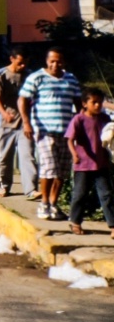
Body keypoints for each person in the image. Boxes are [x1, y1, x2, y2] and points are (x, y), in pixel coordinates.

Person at [20, 48, 84, 222]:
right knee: (49, 168)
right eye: (52, 61)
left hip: (65, 131)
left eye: (59, 61)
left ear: (64, 62)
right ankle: (44, 203)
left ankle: (54, 204)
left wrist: (81, 126)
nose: (55, 64)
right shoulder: (36, 78)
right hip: (44, 130)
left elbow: (79, 104)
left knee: (61, 171)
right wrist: (27, 123)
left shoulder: (70, 79)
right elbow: (23, 99)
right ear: (47, 61)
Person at [65, 89, 114, 236]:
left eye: (100, 102)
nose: (98, 105)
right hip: (83, 164)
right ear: (85, 104)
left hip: (102, 164)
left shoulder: (105, 119)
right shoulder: (79, 119)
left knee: (107, 194)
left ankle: (112, 225)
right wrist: (74, 154)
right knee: (80, 194)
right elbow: (69, 139)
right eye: (94, 102)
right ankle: (75, 222)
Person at [0, 48, 34, 199]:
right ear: (12, 59)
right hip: (6, 121)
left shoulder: (30, 75)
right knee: (5, 156)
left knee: (27, 155)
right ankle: (4, 186)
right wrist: (4, 113)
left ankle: (30, 189)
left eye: (25, 64)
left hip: (25, 121)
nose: (23, 67)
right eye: (20, 63)